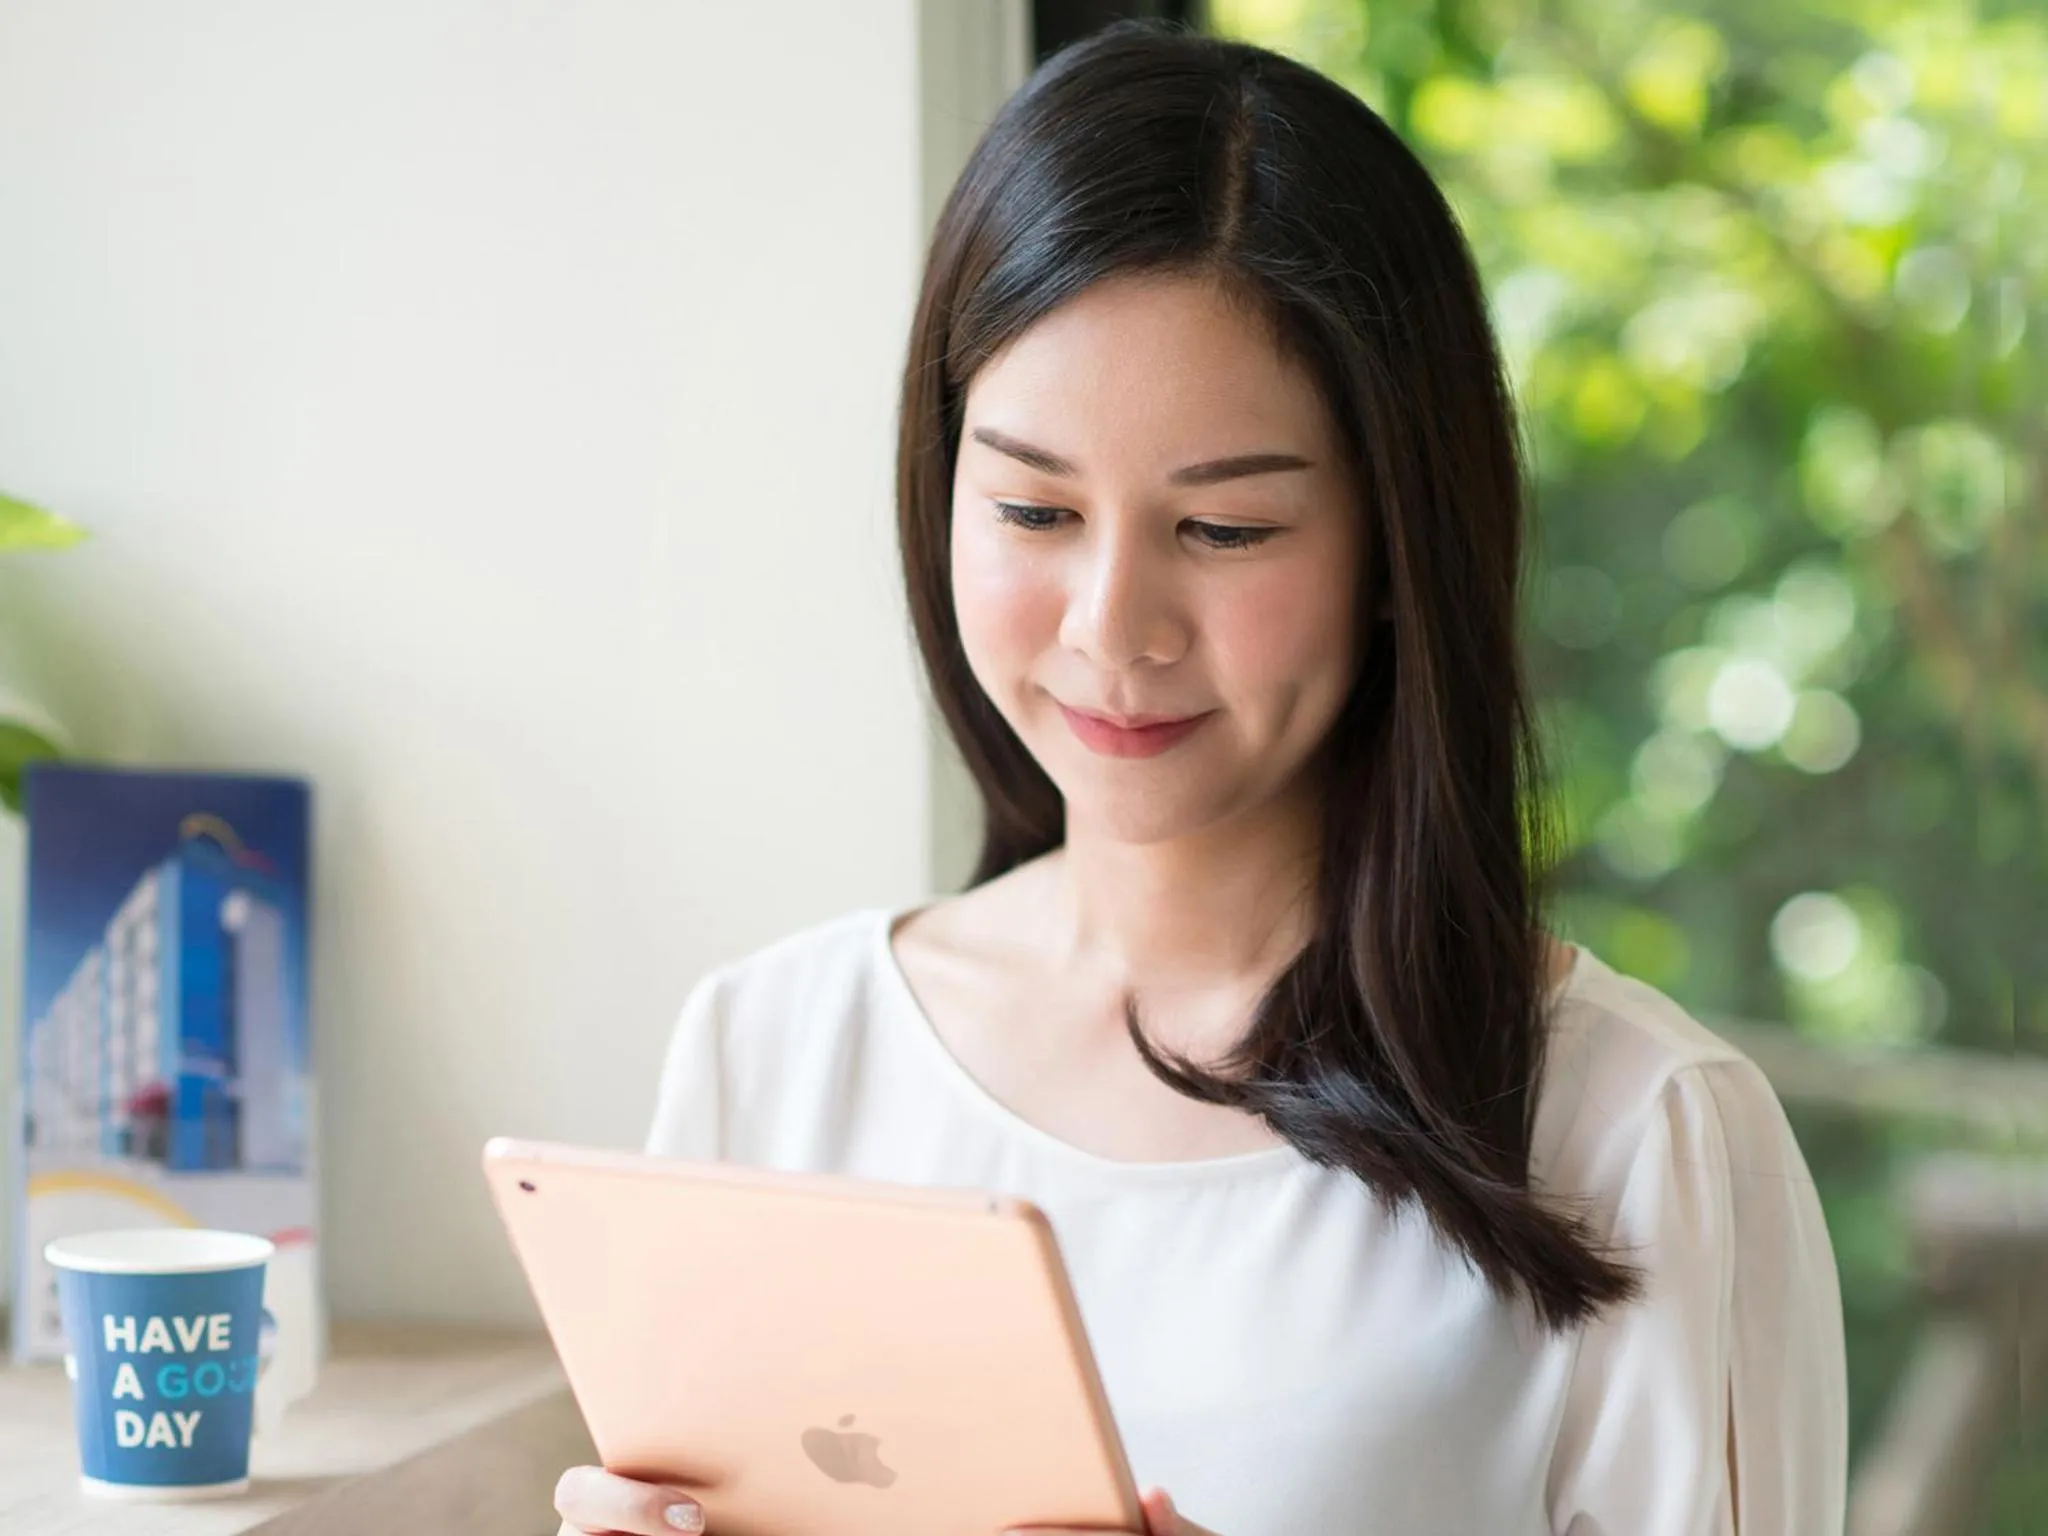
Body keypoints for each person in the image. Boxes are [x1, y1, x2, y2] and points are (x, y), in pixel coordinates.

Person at [553, 19, 1847, 1536]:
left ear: (1395, 548)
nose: (1115, 629)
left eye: (1225, 532)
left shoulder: (1634, 1134)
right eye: (1035, 511)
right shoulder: (773, 1056)